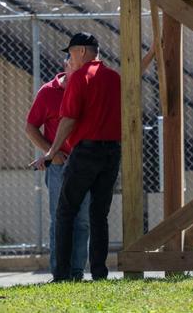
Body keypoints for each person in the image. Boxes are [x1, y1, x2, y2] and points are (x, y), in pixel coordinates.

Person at [31, 32, 120, 282]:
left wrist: (51, 151)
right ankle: (99, 272)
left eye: (70, 53)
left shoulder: (80, 78)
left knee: (65, 211)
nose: (69, 59)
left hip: (86, 152)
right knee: (98, 215)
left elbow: (68, 119)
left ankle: (61, 274)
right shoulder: (114, 78)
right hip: (113, 152)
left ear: (81, 51)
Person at [24, 52, 91, 280]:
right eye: (75, 65)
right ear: (66, 65)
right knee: (59, 219)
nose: (81, 71)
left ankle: (77, 271)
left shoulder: (89, 89)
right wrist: (51, 152)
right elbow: (31, 127)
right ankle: (60, 272)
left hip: (84, 164)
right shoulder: (48, 91)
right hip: (59, 166)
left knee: (82, 220)